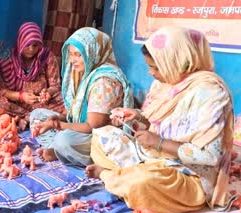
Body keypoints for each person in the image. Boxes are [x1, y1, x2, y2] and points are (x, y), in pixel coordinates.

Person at [85, 26, 235, 212]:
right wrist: (138, 119)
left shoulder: (211, 94)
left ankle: (111, 176)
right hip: (152, 157)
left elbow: (210, 156)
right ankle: (124, 177)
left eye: (155, 67)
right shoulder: (165, 83)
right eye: (150, 66)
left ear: (180, 63)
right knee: (102, 135)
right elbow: (154, 124)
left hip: (187, 174)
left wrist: (160, 143)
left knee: (143, 182)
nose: (150, 73)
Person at [30, 27, 133, 167]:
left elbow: (92, 127)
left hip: (100, 137)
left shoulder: (104, 82)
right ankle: (59, 149)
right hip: (83, 129)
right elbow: (75, 114)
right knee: (37, 115)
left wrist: (57, 125)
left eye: (78, 55)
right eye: (71, 54)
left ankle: (61, 150)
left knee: (65, 139)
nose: (72, 60)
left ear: (93, 53)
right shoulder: (87, 73)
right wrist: (57, 118)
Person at [0, 22, 65, 130]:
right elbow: (0, 90)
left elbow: (55, 85)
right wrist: (21, 96)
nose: (31, 49)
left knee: (67, 104)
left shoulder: (46, 57)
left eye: (35, 45)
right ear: (21, 41)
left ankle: (29, 119)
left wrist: (47, 93)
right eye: (27, 45)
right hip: (17, 104)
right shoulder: (8, 59)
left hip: (42, 103)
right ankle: (31, 117)